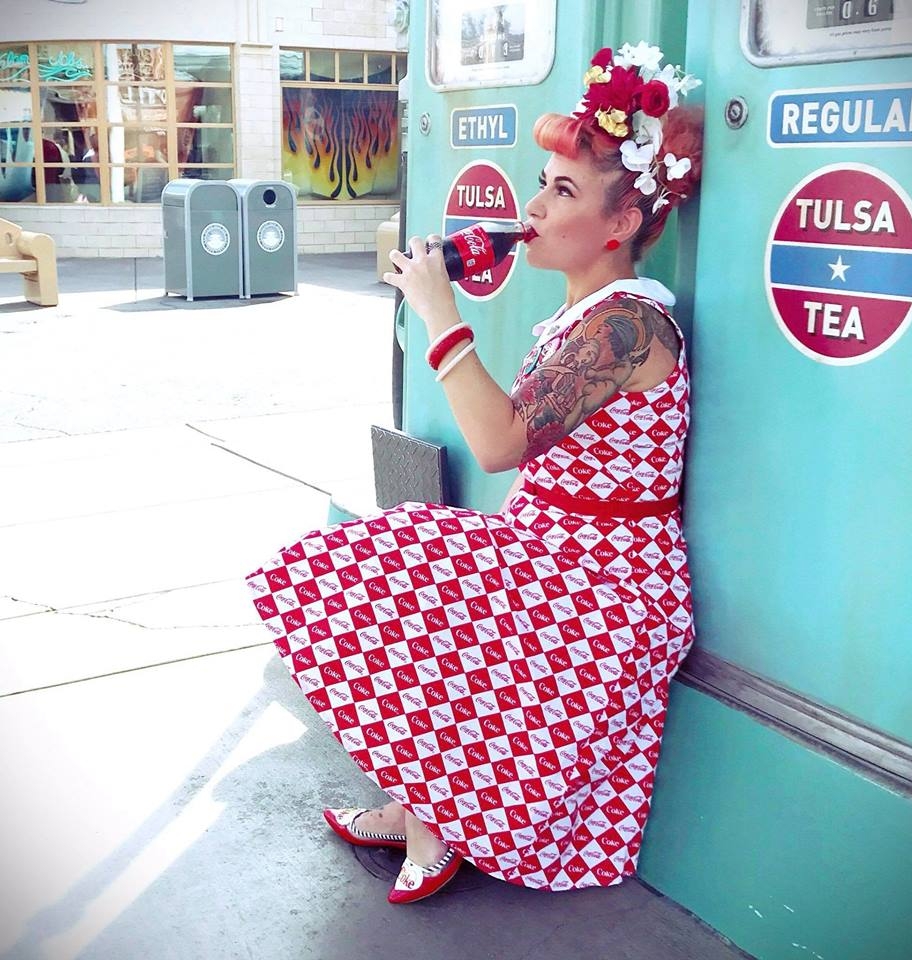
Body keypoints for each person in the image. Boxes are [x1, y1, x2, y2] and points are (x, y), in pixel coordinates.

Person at [247, 40, 703, 904]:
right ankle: (418, 800)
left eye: (562, 191)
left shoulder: (629, 328)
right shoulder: (588, 314)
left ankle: (431, 820)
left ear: (619, 227)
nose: (534, 206)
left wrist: (438, 309)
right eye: (542, 182)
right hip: (556, 550)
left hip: (613, 580)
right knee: (399, 570)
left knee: (409, 558)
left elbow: (499, 443)